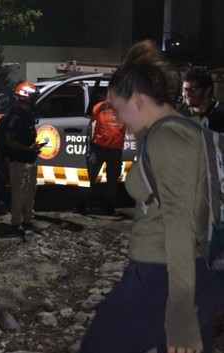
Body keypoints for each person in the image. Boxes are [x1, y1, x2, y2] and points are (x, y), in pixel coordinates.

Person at [79, 40, 224, 353]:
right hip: (189, 275)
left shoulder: (168, 137)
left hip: (163, 278)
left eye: (119, 110)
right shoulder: (187, 130)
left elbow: (180, 221)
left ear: (139, 99)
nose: (120, 122)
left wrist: (181, 310)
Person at [3, 82, 42, 239]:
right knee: (19, 193)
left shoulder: (27, 115)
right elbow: (9, 140)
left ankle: (27, 220)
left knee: (30, 192)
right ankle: (16, 223)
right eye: (33, 98)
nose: (35, 101)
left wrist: (32, 149)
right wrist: (28, 149)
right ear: (26, 99)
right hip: (19, 161)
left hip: (30, 159)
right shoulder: (16, 116)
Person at [80, 98, 126, 215]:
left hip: (115, 150)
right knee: (90, 175)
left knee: (112, 180)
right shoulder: (99, 107)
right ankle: (82, 204)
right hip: (99, 148)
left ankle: (108, 206)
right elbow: (90, 123)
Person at [178, 67, 224, 132]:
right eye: (185, 89)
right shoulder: (181, 111)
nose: (187, 94)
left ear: (207, 90)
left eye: (193, 89)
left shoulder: (221, 115)